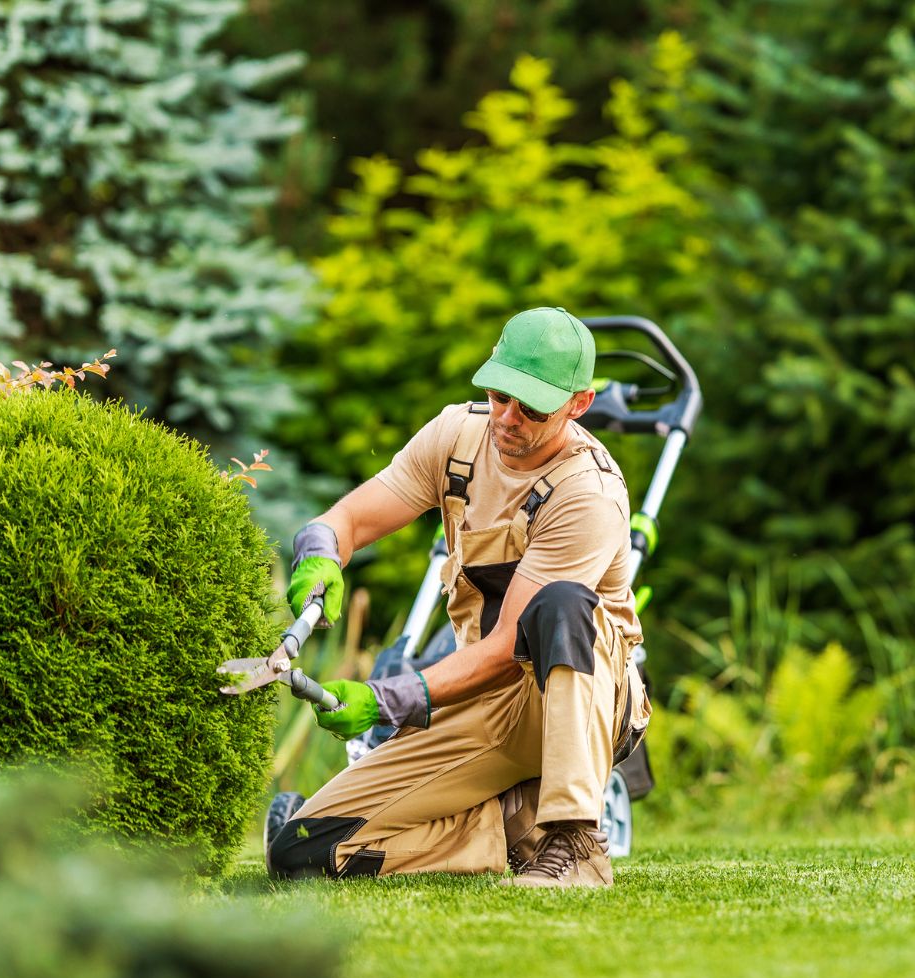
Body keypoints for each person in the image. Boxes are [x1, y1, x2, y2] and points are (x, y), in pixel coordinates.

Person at [265, 307, 647, 888]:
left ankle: (575, 841)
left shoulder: (587, 493)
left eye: (533, 407)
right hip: (478, 701)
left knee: (562, 604)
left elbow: (503, 649)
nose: (509, 418)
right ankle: (507, 822)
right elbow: (352, 518)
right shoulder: (457, 436)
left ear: (579, 404)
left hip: (574, 700)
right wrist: (319, 550)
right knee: (299, 852)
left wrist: (386, 698)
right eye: (499, 396)